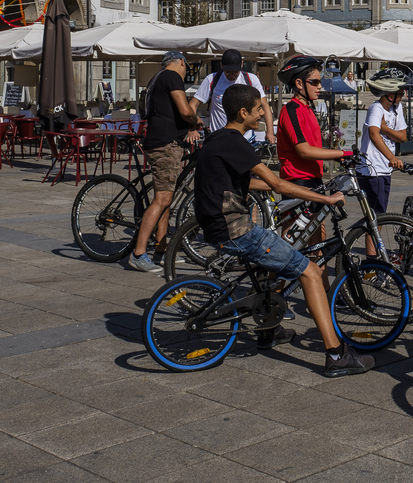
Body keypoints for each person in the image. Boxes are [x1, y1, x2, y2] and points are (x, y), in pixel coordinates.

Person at [194, 83, 373, 377]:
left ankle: (268, 330)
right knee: (311, 272)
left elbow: (248, 183)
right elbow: (276, 182)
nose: (263, 115)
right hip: (236, 230)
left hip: (218, 228)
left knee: (272, 271)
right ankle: (336, 355)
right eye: (258, 110)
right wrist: (324, 197)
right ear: (243, 112)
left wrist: (293, 192)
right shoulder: (236, 142)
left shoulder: (216, 139)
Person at [129, 51, 203, 273]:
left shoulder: (156, 78)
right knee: (163, 198)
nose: (185, 70)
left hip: (161, 140)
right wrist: (196, 121)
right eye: (186, 66)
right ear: (181, 62)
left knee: (166, 196)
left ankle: (162, 251)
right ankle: (138, 253)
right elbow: (184, 109)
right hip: (165, 144)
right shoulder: (172, 76)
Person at [276, 55, 352, 190]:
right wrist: (342, 153)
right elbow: (304, 151)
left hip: (314, 177)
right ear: (299, 83)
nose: (320, 86)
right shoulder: (291, 110)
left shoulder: (308, 108)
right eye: (315, 82)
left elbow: (314, 145)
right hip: (298, 180)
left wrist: (336, 157)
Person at [191, 49, 276, 143]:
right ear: (221, 65)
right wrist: (191, 129)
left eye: (235, 70)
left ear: (242, 64)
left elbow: (264, 105)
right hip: (219, 139)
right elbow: (193, 104)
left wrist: (270, 131)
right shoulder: (212, 79)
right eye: (228, 71)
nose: (232, 74)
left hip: (246, 140)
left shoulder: (251, 79)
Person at [357, 67, 409, 216]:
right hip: (372, 169)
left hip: (384, 169)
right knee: (375, 218)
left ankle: (376, 240)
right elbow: (373, 133)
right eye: (400, 93)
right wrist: (392, 157)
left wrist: (385, 129)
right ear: (390, 95)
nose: (403, 95)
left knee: (380, 215)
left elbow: (402, 137)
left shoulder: (396, 108)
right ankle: (373, 240)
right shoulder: (376, 108)